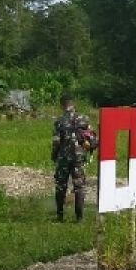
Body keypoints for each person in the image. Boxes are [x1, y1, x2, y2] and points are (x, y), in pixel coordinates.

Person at [51, 94, 95, 222]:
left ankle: (60, 216)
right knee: (79, 186)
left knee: (61, 186)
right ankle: (79, 218)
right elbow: (90, 136)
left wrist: (54, 156)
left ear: (62, 105)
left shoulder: (59, 121)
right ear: (73, 104)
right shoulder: (84, 119)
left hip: (64, 158)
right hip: (79, 157)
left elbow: (56, 142)